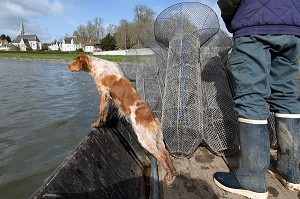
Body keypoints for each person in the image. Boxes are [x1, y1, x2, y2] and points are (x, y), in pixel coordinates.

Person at [215, 0, 300, 198]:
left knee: (251, 97)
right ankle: (291, 171)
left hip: (255, 23)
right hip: (293, 27)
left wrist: (233, 19)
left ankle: (251, 177)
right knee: (287, 95)